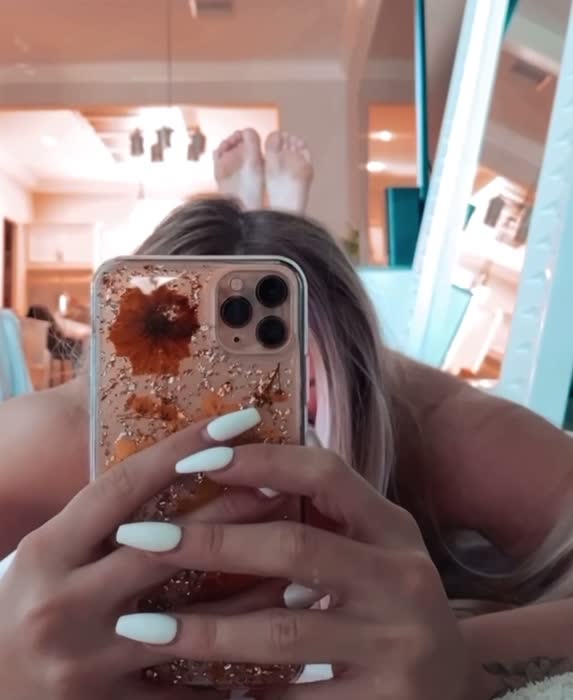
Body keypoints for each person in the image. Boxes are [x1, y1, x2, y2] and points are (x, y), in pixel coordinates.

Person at [2, 128, 573, 699]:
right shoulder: (61, 436)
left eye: (284, 396)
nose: (240, 440)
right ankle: (267, 240)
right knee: (266, 304)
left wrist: (458, 661)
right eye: (188, 392)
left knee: (281, 312)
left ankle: (272, 248)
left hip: (364, 382)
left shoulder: (432, 425)